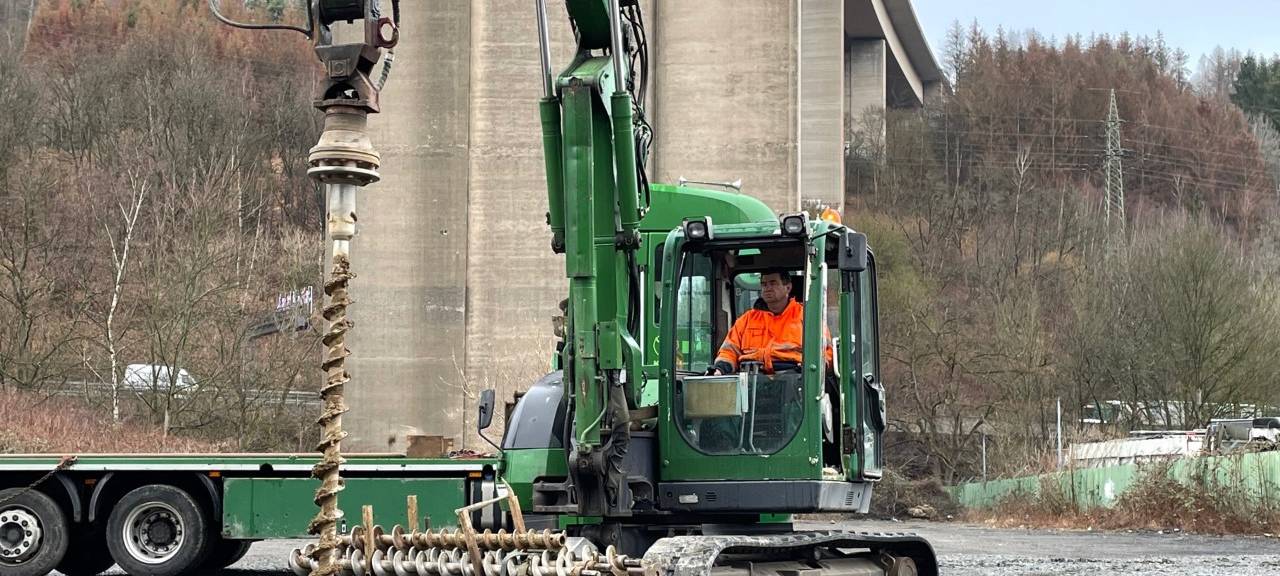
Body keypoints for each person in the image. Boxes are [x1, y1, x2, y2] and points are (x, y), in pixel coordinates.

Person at [710, 270, 831, 375]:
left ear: (788, 288)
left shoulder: (807, 317)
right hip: (751, 381)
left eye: (773, 283)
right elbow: (729, 351)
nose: (767, 288)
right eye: (764, 284)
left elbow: (825, 352)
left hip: (796, 381)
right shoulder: (746, 320)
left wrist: (814, 369)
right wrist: (720, 369)